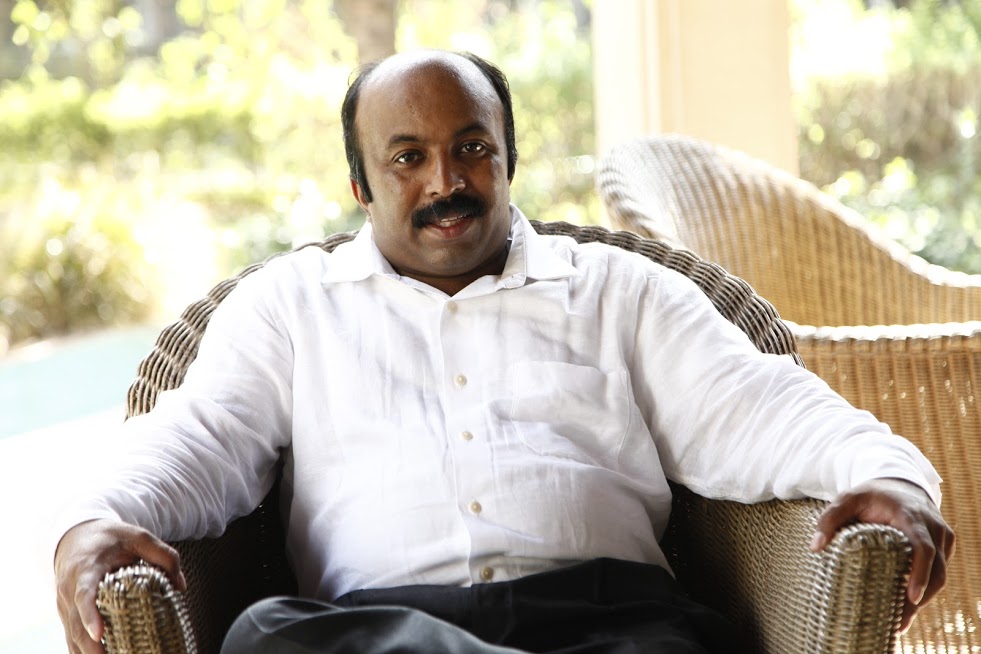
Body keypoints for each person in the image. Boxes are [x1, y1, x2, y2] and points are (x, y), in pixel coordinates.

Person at [54, 49, 953, 654]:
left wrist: (893, 479)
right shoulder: (290, 308)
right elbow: (196, 442)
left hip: (607, 623)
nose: (445, 181)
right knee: (267, 638)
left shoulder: (619, 292)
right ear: (360, 184)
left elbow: (766, 409)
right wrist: (93, 521)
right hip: (372, 633)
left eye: (471, 148)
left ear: (507, 159)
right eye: (406, 158)